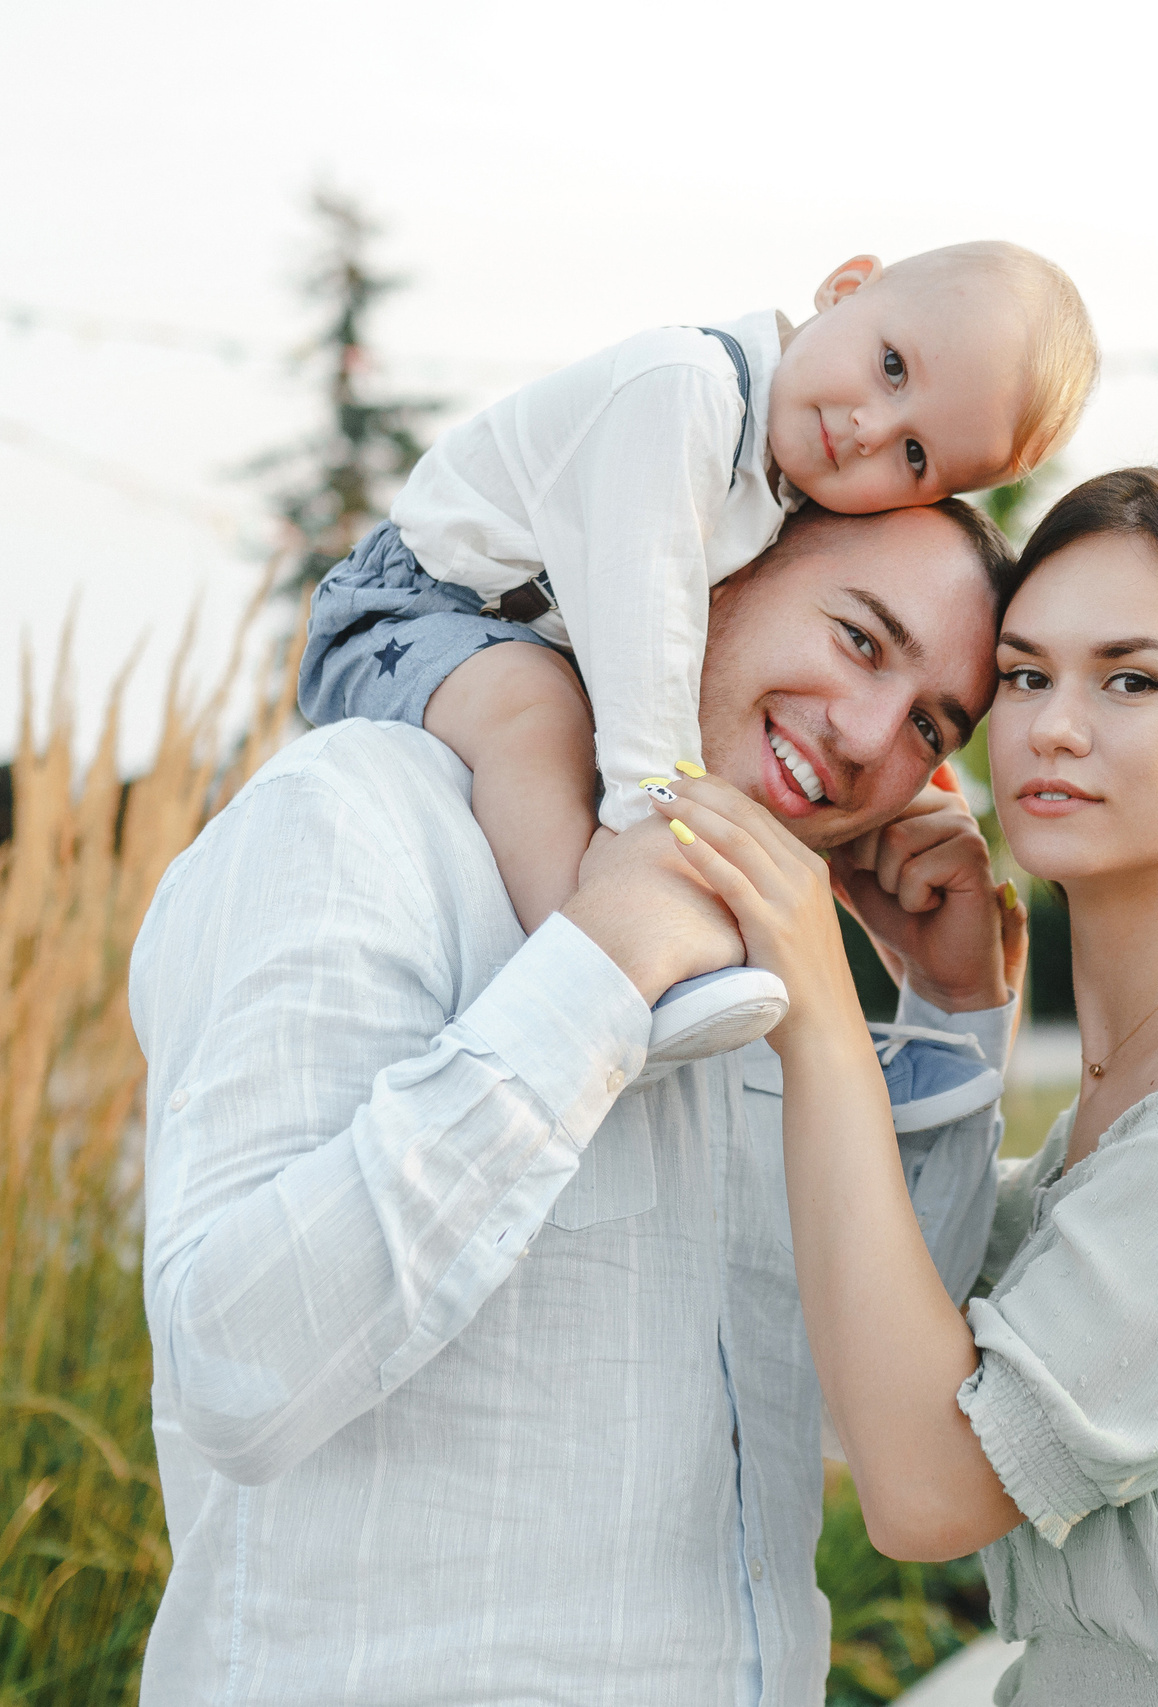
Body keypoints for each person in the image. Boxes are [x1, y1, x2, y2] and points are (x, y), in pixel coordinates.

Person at [130, 498, 1030, 1705]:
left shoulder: (768, 954)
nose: (874, 737)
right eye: (859, 640)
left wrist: (948, 1011)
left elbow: (843, 1417)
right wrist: (593, 979)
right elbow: (232, 1370)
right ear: (702, 576)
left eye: (931, 724)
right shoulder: (359, 819)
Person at [658, 468, 1158, 1702]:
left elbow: (925, 1488)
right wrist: (958, 1016)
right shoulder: (1143, 1076)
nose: (1054, 727)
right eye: (1025, 676)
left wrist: (822, 1013)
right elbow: (882, 1354)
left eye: (1130, 679)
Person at [298, 241, 1097, 1071]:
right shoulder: (687, 393)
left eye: (915, 455)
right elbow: (650, 623)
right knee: (535, 716)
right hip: (420, 597)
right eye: (891, 366)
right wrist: (660, 822)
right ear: (845, 285)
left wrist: (950, 998)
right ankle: (603, 955)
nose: (868, 429)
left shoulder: (784, 470)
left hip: (513, 629)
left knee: (546, 709)